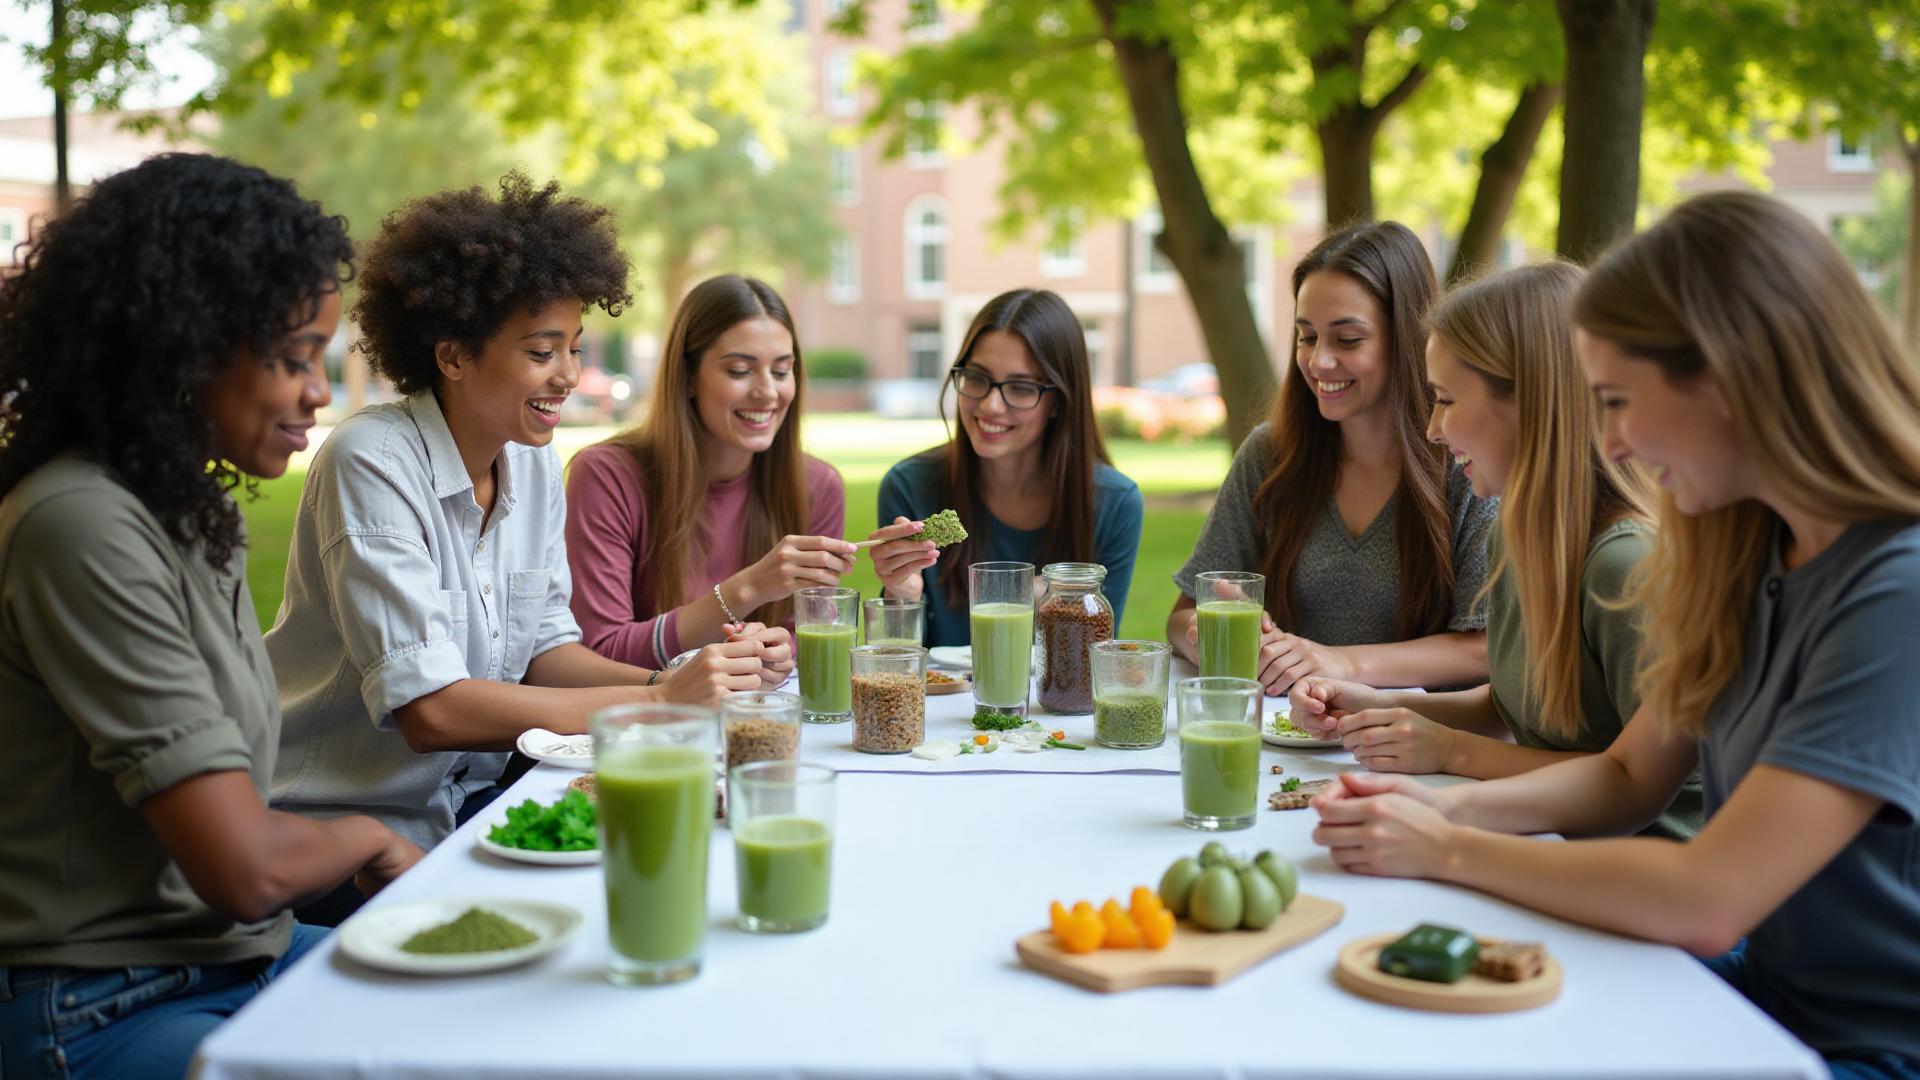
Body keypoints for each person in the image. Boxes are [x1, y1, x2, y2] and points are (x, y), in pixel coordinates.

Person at [1309, 191, 1920, 1077]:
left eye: (1621, 401)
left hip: (1867, 1047)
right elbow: (1632, 772)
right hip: (1762, 995)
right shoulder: (1749, 557)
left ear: (1727, 379)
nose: (1615, 444)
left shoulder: (1894, 592)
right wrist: (1435, 806)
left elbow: (1708, 897)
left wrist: (1446, 845)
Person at [0, 153, 422, 1080]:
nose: (318, 390)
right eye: (288, 358)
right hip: (100, 1003)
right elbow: (246, 871)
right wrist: (368, 835)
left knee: (504, 1015)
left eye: (320, 356)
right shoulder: (80, 522)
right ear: (179, 349)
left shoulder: (187, 511)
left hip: (243, 958)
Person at [269, 176, 766, 920]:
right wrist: (657, 703)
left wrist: (685, 672)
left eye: (573, 346)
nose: (568, 374)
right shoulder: (370, 462)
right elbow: (429, 711)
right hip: (342, 840)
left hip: (473, 807)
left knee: (690, 864)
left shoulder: (530, 462)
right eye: (541, 350)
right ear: (454, 356)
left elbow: (544, 652)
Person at [1287, 263, 1700, 836]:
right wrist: (1370, 705)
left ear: (1529, 402)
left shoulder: (1625, 567)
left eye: (1447, 400)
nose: (1433, 429)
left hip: (1636, 875)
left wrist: (1451, 751)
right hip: (1545, 839)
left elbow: (1636, 785)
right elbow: (1512, 707)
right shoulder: (1517, 533)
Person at [1169, 222, 1497, 696]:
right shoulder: (1269, 455)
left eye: (1347, 340)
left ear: (1406, 338)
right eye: (1307, 337)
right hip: (1284, 746)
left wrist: (1336, 663)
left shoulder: (1468, 465)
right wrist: (1212, 638)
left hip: (1411, 752)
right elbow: (1180, 617)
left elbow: (1483, 649)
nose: (1319, 362)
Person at [566, 275, 846, 667]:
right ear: (690, 376)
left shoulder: (818, 487)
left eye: (781, 371)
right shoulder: (606, 476)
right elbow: (600, 650)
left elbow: (809, 639)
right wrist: (744, 591)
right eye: (739, 371)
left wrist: (778, 652)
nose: (767, 391)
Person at [867, 288, 1143, 645]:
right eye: (977, 378)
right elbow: (893, 670)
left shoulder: (1115, 503)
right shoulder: (908, 487)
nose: (991, 405)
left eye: (1020, 387)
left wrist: (1050, 595)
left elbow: (1096, 659)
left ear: (1059, 400)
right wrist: (901, 595)